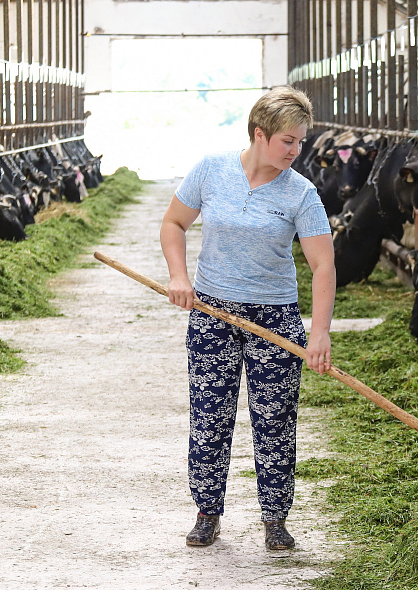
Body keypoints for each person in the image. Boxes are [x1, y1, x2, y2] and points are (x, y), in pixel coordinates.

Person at [160, 86, 335, 551]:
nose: (296, 151)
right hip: (212, 313)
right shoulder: (211, 170)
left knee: (275, 420)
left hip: (275, 319)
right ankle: (207, 513)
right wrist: (179, 276)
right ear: (260, 134)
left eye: (301, 142)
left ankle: (275, 518)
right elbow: (173, 223)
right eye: (288, 141)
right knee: (209, 416)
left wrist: (319, 333)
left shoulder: (301, 193)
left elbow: (323, 265)